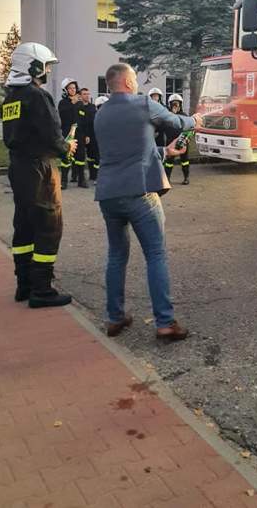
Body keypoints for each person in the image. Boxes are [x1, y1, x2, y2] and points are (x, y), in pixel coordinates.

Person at [95, 63, 203, 342]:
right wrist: (195, 121)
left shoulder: (101, 113)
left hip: (108, 194)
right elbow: (177, 122)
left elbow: (126, 151)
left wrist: (164, 151)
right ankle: (165, 322)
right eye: (134, 80)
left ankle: (115, 317)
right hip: (140, 193)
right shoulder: (143, 103)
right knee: (155, 254)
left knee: (116, 256)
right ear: (128, 83)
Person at [2, 42, 78, 308]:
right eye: (45, 66)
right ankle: (42, 290)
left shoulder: (10, 97)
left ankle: (24, 284)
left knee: (23, 224)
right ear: (33, 66)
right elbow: (51, 133)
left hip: (19, 167)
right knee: (48, 225)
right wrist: (67, 146)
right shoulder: (37, 96)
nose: (46, 71)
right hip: (39, 168)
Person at [58, 78, 87, 189]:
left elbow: (83, 119)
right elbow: (63, 116)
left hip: (79, 134)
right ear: (65, 90)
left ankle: (81, 180)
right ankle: (64, 181)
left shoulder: (80, 103)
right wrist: (72, 104)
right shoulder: (63, 103)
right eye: (70, 88)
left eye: (74, 88)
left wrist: (85, 135)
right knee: (67, 157)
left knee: (80, 158)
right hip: (68, 133)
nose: (73, 90)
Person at [163, 93, 191, 185]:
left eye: (177, 103)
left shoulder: (184, 115)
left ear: (180, 104)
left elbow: (190, 128)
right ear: (170, 104)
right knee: (169, 162)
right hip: (171, 141)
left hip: (182, 142)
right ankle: (167, 178)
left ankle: (186, 178)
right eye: (173, 104)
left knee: (185, 161)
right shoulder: (167, 115)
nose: (175, 105)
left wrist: (187, 138)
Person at [78, 87, 97, 182]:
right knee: (79, 155)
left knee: (92, 155)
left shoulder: (92, 107)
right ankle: (75, 175)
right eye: (84, 94)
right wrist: (85, 135)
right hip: (81, 134)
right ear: (80, 96)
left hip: (92, 134)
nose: (87, 96)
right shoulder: (78, 107)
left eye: (88, 94)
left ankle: (93, 175)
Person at [90, 95, 108, 182]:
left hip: (107, 141)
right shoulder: (95, 116)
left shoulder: (110, 116)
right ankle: (97, 177)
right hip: (97, 141)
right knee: (97, 160)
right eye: (100, 106)